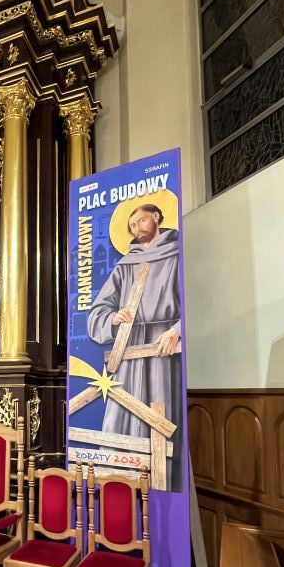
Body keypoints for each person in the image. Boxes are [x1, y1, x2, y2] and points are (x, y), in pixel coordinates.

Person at [87, 203, 183, 491]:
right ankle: (116, 491)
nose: (137, 228)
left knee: (160, 419)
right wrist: (113, 318)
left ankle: (159, 491)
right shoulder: (126, 264)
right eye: (131, 226)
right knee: (121, 418)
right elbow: (97, 311)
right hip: (128, 351)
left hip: (162, 351)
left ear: (157, 217)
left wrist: (176, 331)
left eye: (141, 220)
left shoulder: (177, 254)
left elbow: (193, 304)